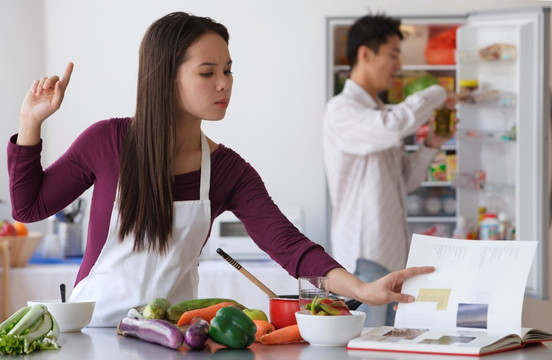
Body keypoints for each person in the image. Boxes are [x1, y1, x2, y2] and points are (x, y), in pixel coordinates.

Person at [9, 12, 433, 327]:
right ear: (165, 77)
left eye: (228, 70)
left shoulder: (229, 171)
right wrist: (31, 123)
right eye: (208, 72)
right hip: (93, 332)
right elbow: (28, 208)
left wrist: (361, 289)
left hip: (173, 337)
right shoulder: (107, 142)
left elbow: (288, 244)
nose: (224, 84)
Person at [323, 14, 455, 327]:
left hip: (390, 256)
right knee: (363, 346)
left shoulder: (378, 114)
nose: (399, 66)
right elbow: (395, 126)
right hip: (364, 259)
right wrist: (438, 91)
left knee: (382, 345)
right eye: (393, 55)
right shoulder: (343, 111)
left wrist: (431, 144)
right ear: (365, 54)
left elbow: (405, 181)